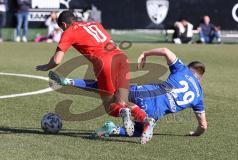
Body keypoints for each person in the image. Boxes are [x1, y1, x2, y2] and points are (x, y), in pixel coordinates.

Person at [48, 48, 208, 144]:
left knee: (108, 88)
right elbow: (203, 126)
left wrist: (145, 53)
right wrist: (195, 133)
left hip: (143, 93)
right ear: (199, 77)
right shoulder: (199, 96)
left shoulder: (182, 70)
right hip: (155, 112)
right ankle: (115, 128)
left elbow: (166, 51)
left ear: (189, 68)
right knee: (137, 131)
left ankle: (69, 80)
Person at [36, 10, 148, 138]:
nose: (62, 31)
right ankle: (146, 121)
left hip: (104, 63)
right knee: (122, 100)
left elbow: (57, 60)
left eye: (61, 28)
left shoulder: (69, 31)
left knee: (110, 106)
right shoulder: (94, 24)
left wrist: (46, 66)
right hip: (121, 57)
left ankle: (123, 112)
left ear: (64, 25)